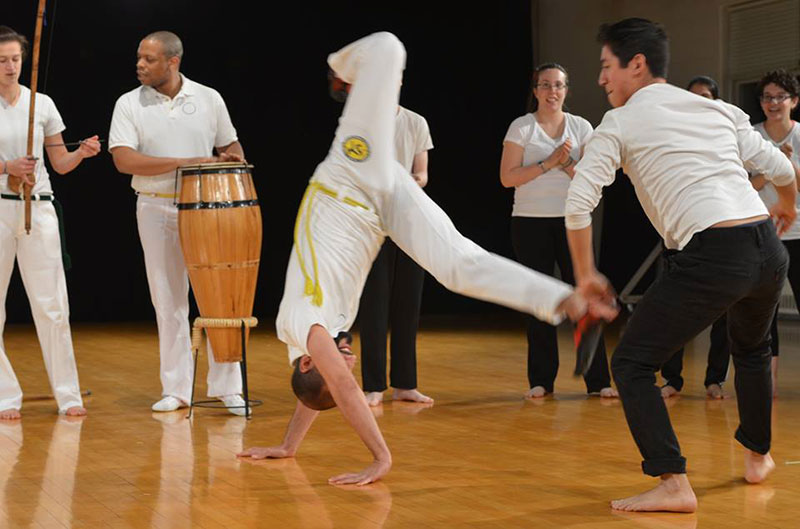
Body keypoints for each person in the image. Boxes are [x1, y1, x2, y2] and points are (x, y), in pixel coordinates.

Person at [239, 32, 617, 485]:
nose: (347, 362)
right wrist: (288, 445)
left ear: (306, 361)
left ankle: (342, 65)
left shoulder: (303, 322)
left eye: (337, 364)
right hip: (385, 209)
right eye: (345, 363)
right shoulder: (309, 351)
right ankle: (572, 304)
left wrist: (380, 457)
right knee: (459, 266)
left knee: (388, 48)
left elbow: (336, 385)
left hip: (349, 177)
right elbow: (320, 390)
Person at [565, 18, 796, 512]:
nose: (602, 79)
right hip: (766, 249)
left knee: (629, 363)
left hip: (714, 252)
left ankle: (672, 482)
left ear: (637, 64)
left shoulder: (620, 122)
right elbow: (781, 168)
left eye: (607, 67)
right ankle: (758, 457)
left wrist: (586, 275)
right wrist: (789, 205)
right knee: (752, 351)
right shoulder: (720, 110)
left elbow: (579, 201)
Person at [109, 31, 247, 415]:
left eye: (149, 59)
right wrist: (188, 162)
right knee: (167, 299)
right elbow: (124, 160)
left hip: (206, 209)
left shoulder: (208, 98)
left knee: (218, 295)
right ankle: (177, 388)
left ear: (173, 62)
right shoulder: (128, 103)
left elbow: (230, 146)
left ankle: (227, 387)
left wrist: (232, 162)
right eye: (139, 57)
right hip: (155, 207)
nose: (140, 65)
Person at [0, 26, 100, 419]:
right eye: (3, 60)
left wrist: (82, 153)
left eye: (15, 59)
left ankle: (68, 393)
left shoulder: (40, 103)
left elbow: (59, 163)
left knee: (53, 305)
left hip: (37, 207)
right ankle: (5, 394)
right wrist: (7, 166)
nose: (10, 67)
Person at [500, 63, 616, 399]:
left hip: (573, 222)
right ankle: (541, 380)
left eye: (559, 86)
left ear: (566, 90)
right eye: (546, 85)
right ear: (535, 90)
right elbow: (507, 178)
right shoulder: (522, 127)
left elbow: (595, 179)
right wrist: (547, 163)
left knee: (586, 294)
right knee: (539, 299)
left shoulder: (581, 127)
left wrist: (565, 164)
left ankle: (599, 381)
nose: (553, 92)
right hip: (529, 221)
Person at [659, 75, 731, 400]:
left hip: (719, 230)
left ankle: (715, 379)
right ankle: (672, 379)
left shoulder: (727, 135)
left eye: (705, 96)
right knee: (674, 310)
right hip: (680, 232)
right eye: (693, 96)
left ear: (715, 101)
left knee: (724, 312)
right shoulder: (671, 137)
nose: (699, 101)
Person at [359, 104, 434, 407]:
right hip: (373, 225)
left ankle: (405, 384)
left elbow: (422, 174)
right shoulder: (360, 119)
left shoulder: (416, 122)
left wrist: (407, 182)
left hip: (408, 223)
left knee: (408, 304)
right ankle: (373, 385)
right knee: (374, 306)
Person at [749, 69, 800, 398]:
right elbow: (742, 185)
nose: (773, 103)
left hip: (798, 233)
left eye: (780, 96)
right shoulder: (752, 137)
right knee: (763, 311)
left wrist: (789, 169)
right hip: (762, 234)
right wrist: (771, 169)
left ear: (794, 101)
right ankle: (766, 384)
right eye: (767, 97)